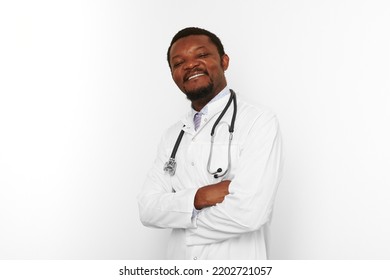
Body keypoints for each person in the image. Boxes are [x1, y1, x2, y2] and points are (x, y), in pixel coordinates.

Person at [137, 27, 283, 260]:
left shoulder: (258, 121)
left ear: (224, 61)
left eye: (202, 55)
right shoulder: (172, 135)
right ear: (173, 74)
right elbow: (147, 209)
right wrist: (201, 197)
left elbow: (250, 213)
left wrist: (182, 219)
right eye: (178, 63)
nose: (190, 65)